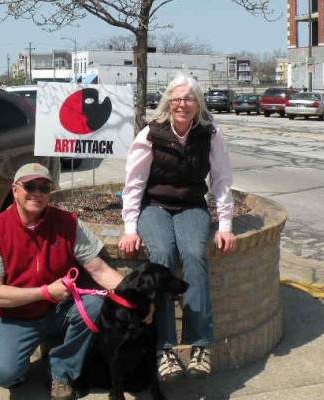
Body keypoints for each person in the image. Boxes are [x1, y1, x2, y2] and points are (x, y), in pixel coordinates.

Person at [0, 163, 123, 400]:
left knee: (95, 305)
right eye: (30, 186)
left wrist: (136, 298)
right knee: (5, 374)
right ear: (15, 189)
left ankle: (61, 372)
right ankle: (16, 357)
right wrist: (44, 292)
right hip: (16, 316)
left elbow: (99, 270)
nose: (37, 193)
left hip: (59, 309)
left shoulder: (67, 223)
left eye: (44, 187)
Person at [118, 74, 236, 380]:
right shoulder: (150, 134)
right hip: (154, 206)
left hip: (191, 206)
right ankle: (164, 348)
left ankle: (200, 344)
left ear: (198, 104)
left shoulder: (210, 134)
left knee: (194, 255)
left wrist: (225, 224)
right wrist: (130, 227)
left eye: (189, 98)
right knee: (161, 256)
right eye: (178, 97)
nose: (183, 104)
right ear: (169, 101)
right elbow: (134, 184)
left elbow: (222, 181)